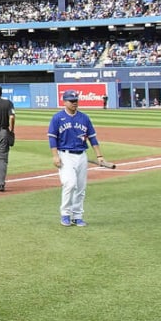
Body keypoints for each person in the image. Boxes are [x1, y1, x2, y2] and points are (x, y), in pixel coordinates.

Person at [48, 91, 110, 227]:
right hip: (65, 155)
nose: (74, 102)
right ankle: (65, 214)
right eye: (71, 100)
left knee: (81, 188)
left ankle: (77, 216)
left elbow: (92, 137)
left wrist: (99, 156)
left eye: (76, 100)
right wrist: (55, 155)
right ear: (64, 102)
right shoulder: (57, 118)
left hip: (82, 155)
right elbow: (52, 137)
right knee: (70, 184)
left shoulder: (84, 118)